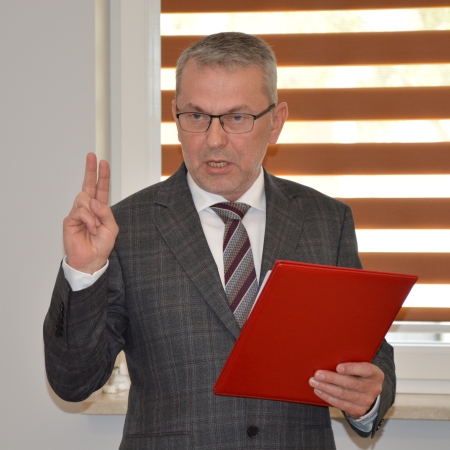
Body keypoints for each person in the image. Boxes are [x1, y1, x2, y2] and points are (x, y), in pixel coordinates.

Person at [44, 32, 395, 449]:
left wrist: (368, 396)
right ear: (175, 116)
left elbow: (367, 350)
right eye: (196, 116)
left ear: (276, 122)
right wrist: (84, 272)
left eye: (237, 117)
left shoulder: (326, 221)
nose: (214, 139)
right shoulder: (125, 228)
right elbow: (73, 380)